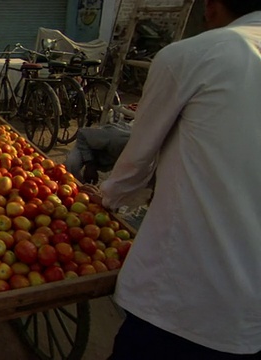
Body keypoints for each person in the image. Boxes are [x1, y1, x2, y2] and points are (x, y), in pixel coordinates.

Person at [90, 1, 261, 358]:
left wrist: (106, 197)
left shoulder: (196, 54)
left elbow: (137, 162)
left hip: (187, 296)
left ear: (212, 6)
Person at [64, 120, 131, 184]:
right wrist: (90, 164)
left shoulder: (134, 154)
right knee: (71, 163)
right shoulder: (114, 137)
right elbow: (82, 134)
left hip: (106, 158)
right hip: (87, 145)